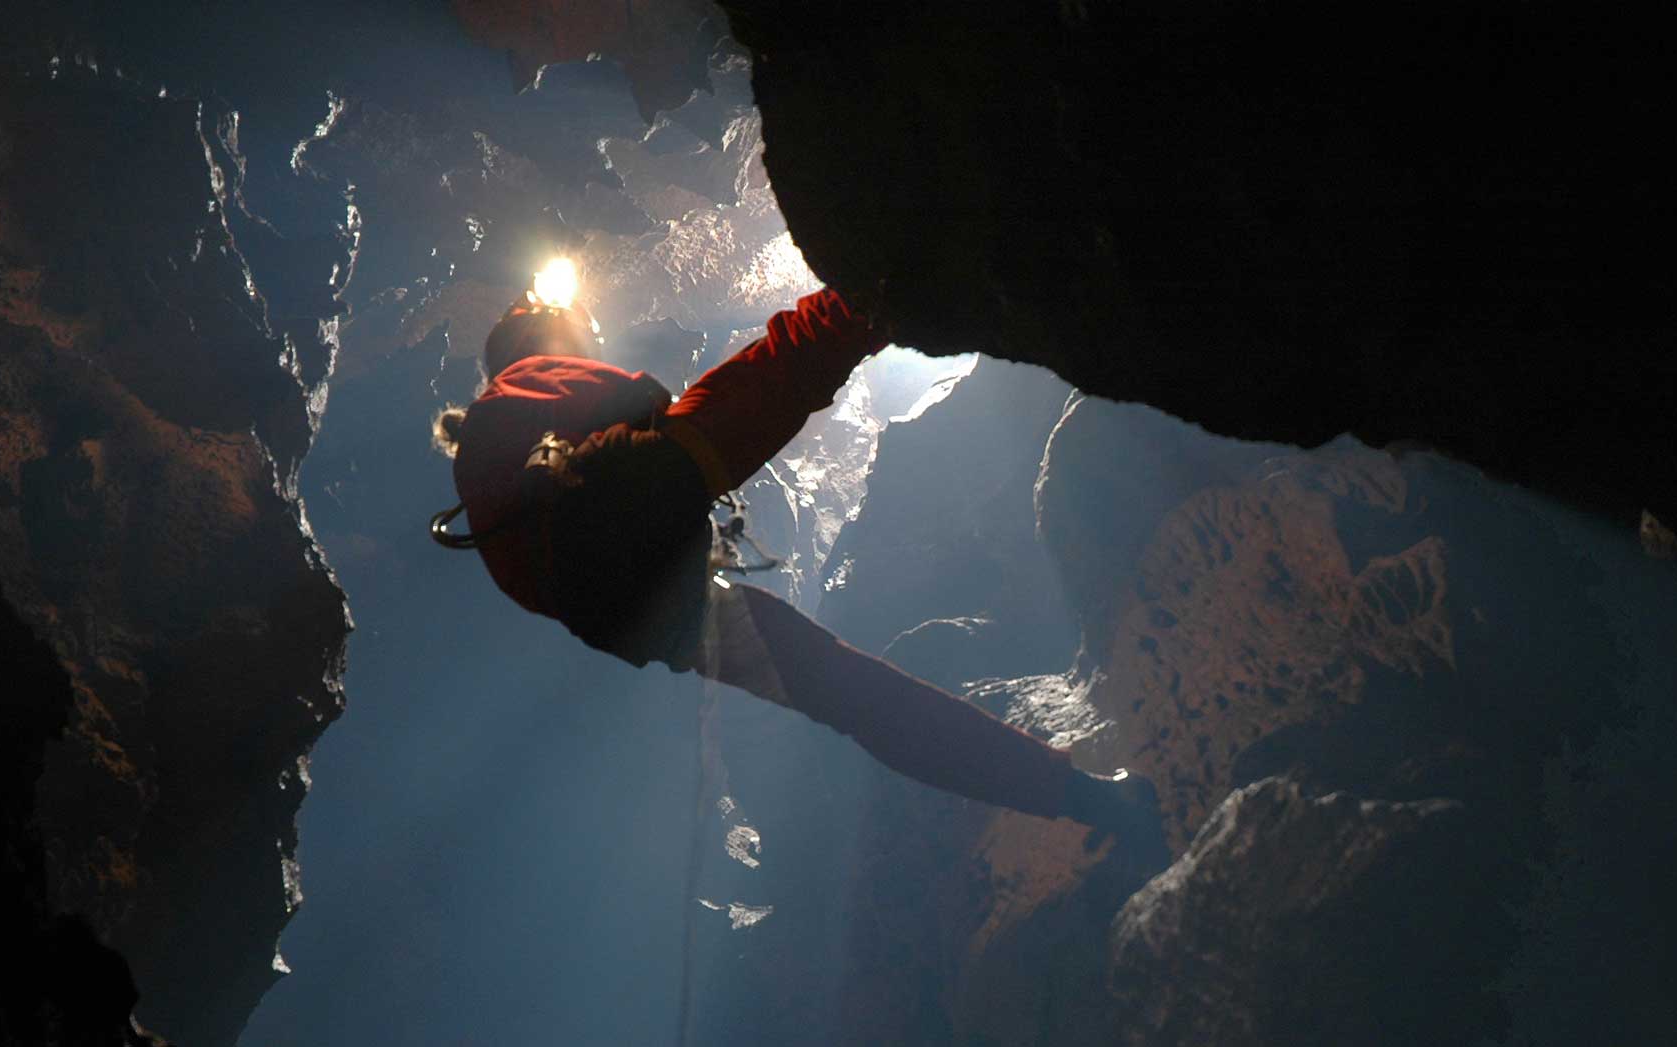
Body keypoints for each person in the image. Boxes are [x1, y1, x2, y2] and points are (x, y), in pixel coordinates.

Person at [430, 274, 1164, 854]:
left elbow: (545, 583)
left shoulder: (487, 478)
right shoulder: (519, 377)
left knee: (841, 690)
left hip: (633, 616)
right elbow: (638, 396)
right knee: (784, 365)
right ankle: (878, 292)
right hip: (621, 506)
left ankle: (1089, 800)